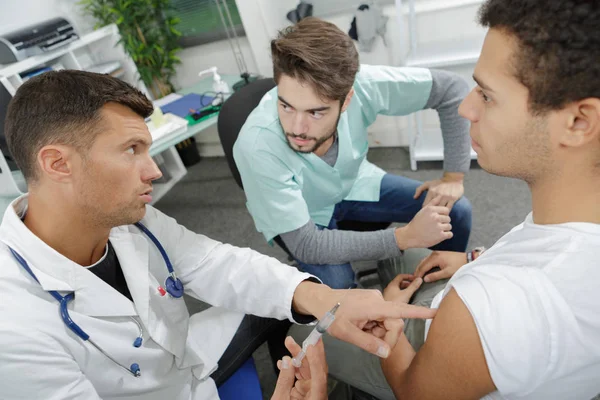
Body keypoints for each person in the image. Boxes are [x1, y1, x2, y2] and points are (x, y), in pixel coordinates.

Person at [0, 70, 436, 400]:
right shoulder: (15, 330)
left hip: (183, 366)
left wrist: (329, 301)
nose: (154, 171)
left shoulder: (131, 221)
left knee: (284, 292)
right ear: (58, 164)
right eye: (132, 150)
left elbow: (215, 263)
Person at [290, 0, 600, 398]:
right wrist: (474, 258)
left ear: (578, 122)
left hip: (436, 351)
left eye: (487, 96)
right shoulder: (574, 217)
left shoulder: (502, 305)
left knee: (301, 322)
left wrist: (390, 322)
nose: (467, 107)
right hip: (466, 305)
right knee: (400, 258)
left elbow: (416, 392)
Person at [233, 17, 473, 289]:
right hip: (304, 216)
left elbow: (452, 90)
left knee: (457, 212)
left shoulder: (363, 85)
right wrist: (403, 238)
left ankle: (437, 288)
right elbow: (307, 244)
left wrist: (453, 177)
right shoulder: (256, 145)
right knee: (337, 286)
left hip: (354, 183)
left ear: (347, 99)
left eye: (315, 112)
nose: (296, 128)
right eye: (286, 106)